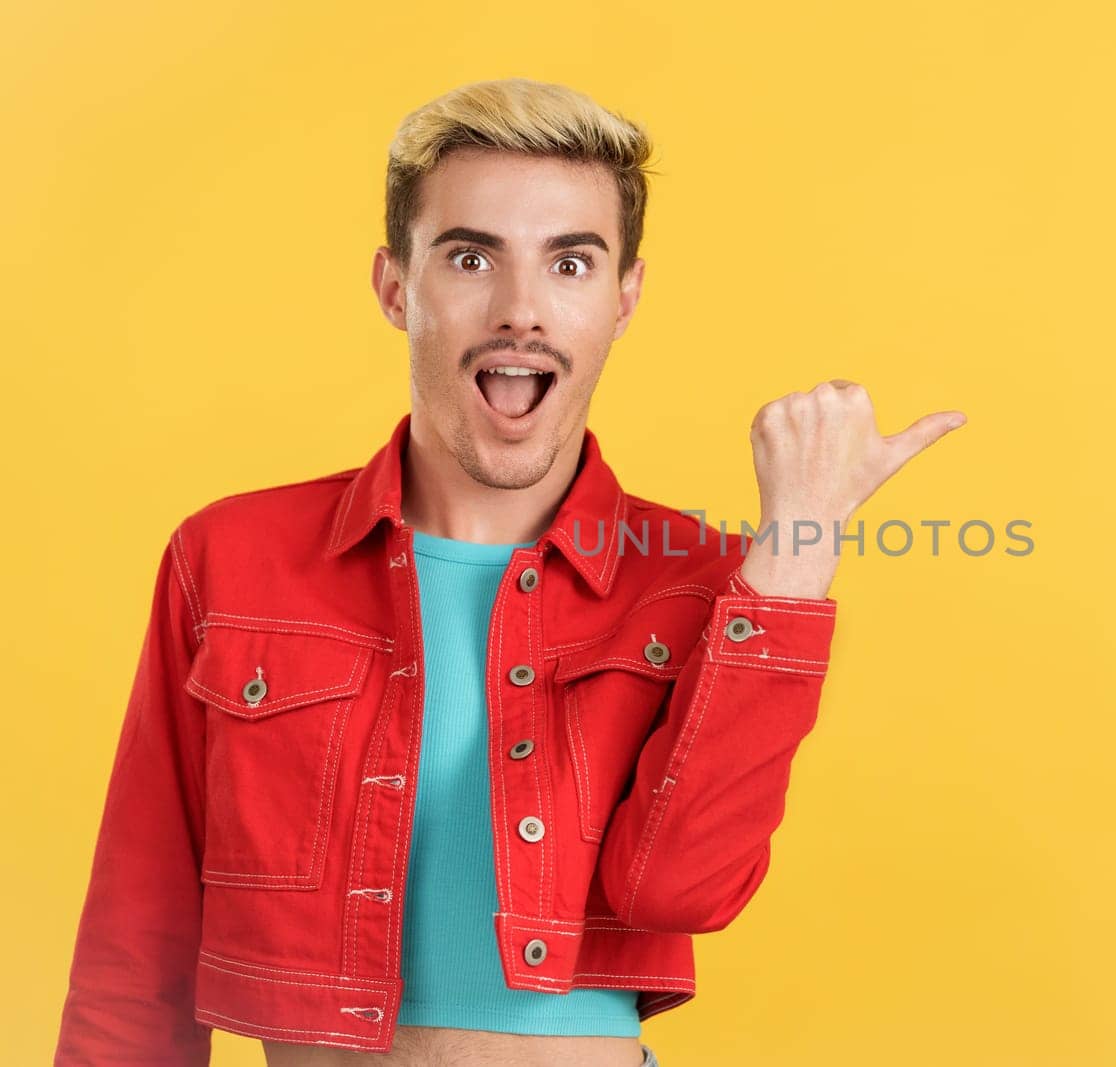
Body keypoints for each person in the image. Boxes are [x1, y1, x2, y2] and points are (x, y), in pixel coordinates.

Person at [54, 77, 965, 1066]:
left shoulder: (700, 582)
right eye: (470, 256)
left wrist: (794, 554)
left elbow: (684, 888)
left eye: (569, 262)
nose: (521, 310)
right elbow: (135, 940)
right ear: (396, 285)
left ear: (623, 298)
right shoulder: (231, 558)